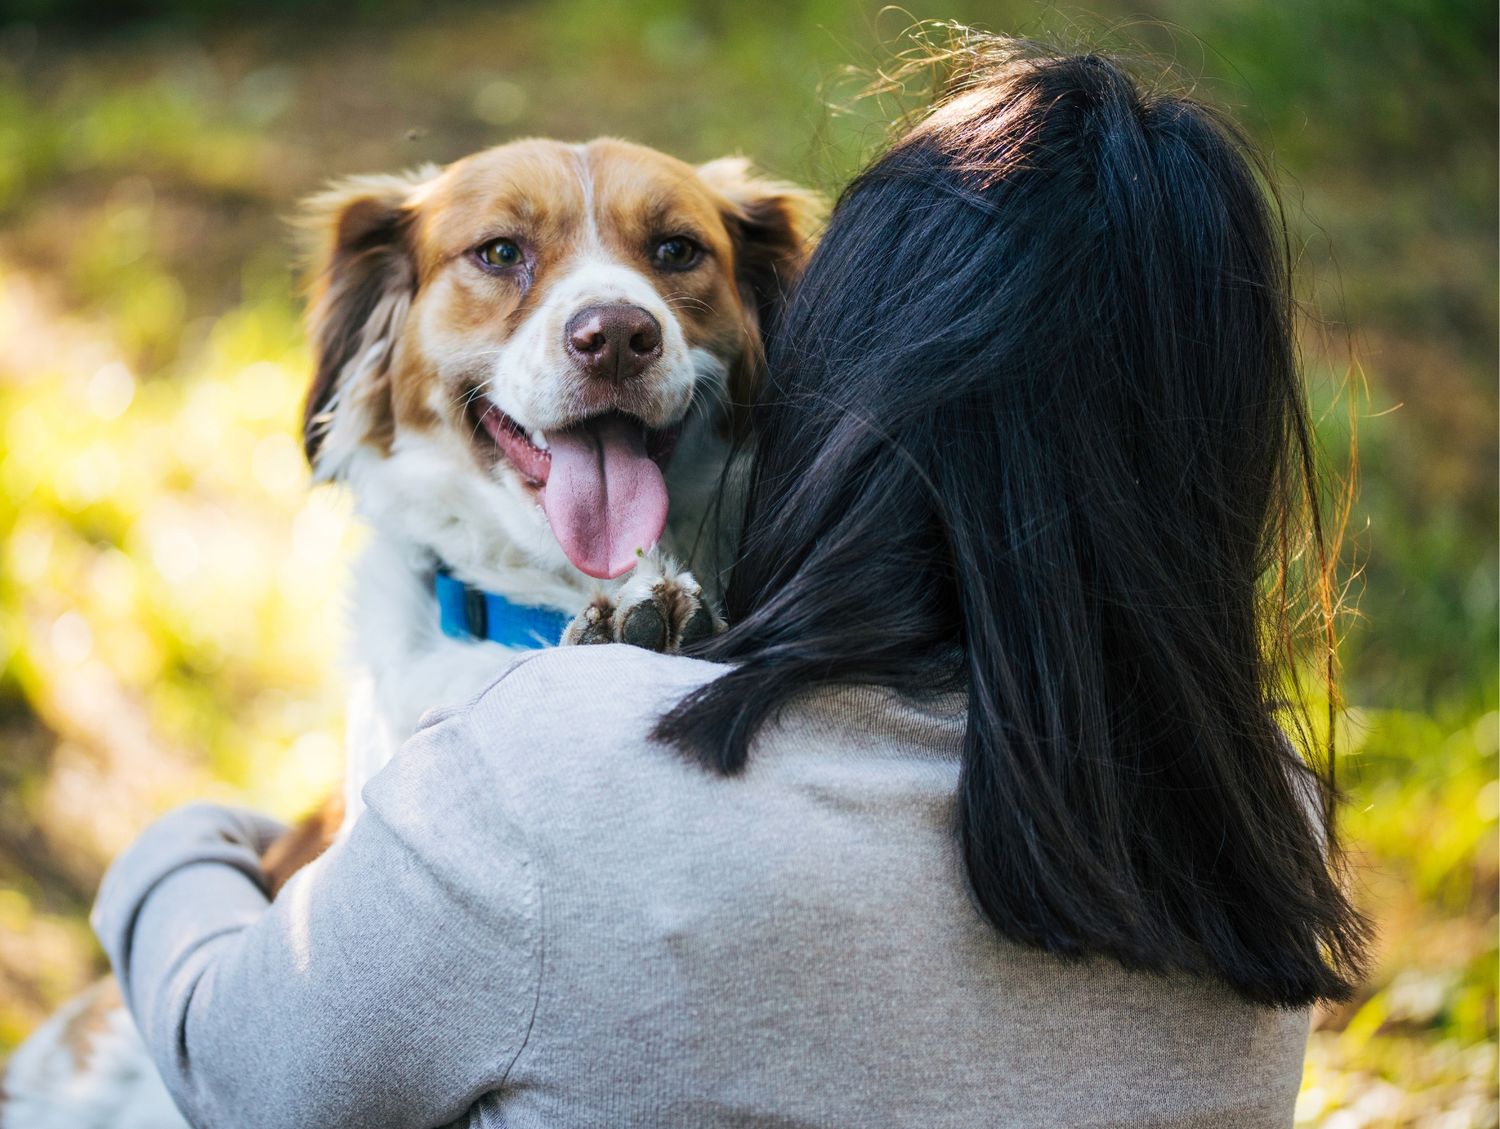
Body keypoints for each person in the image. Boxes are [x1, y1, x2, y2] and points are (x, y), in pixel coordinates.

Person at [92, 38, 1367, 1129]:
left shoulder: (547, 779)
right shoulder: (1264, 827)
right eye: (503, 255)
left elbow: (240, 1069)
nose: (610, 312)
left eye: (675, 262)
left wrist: (185, 845)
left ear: (834, 368)